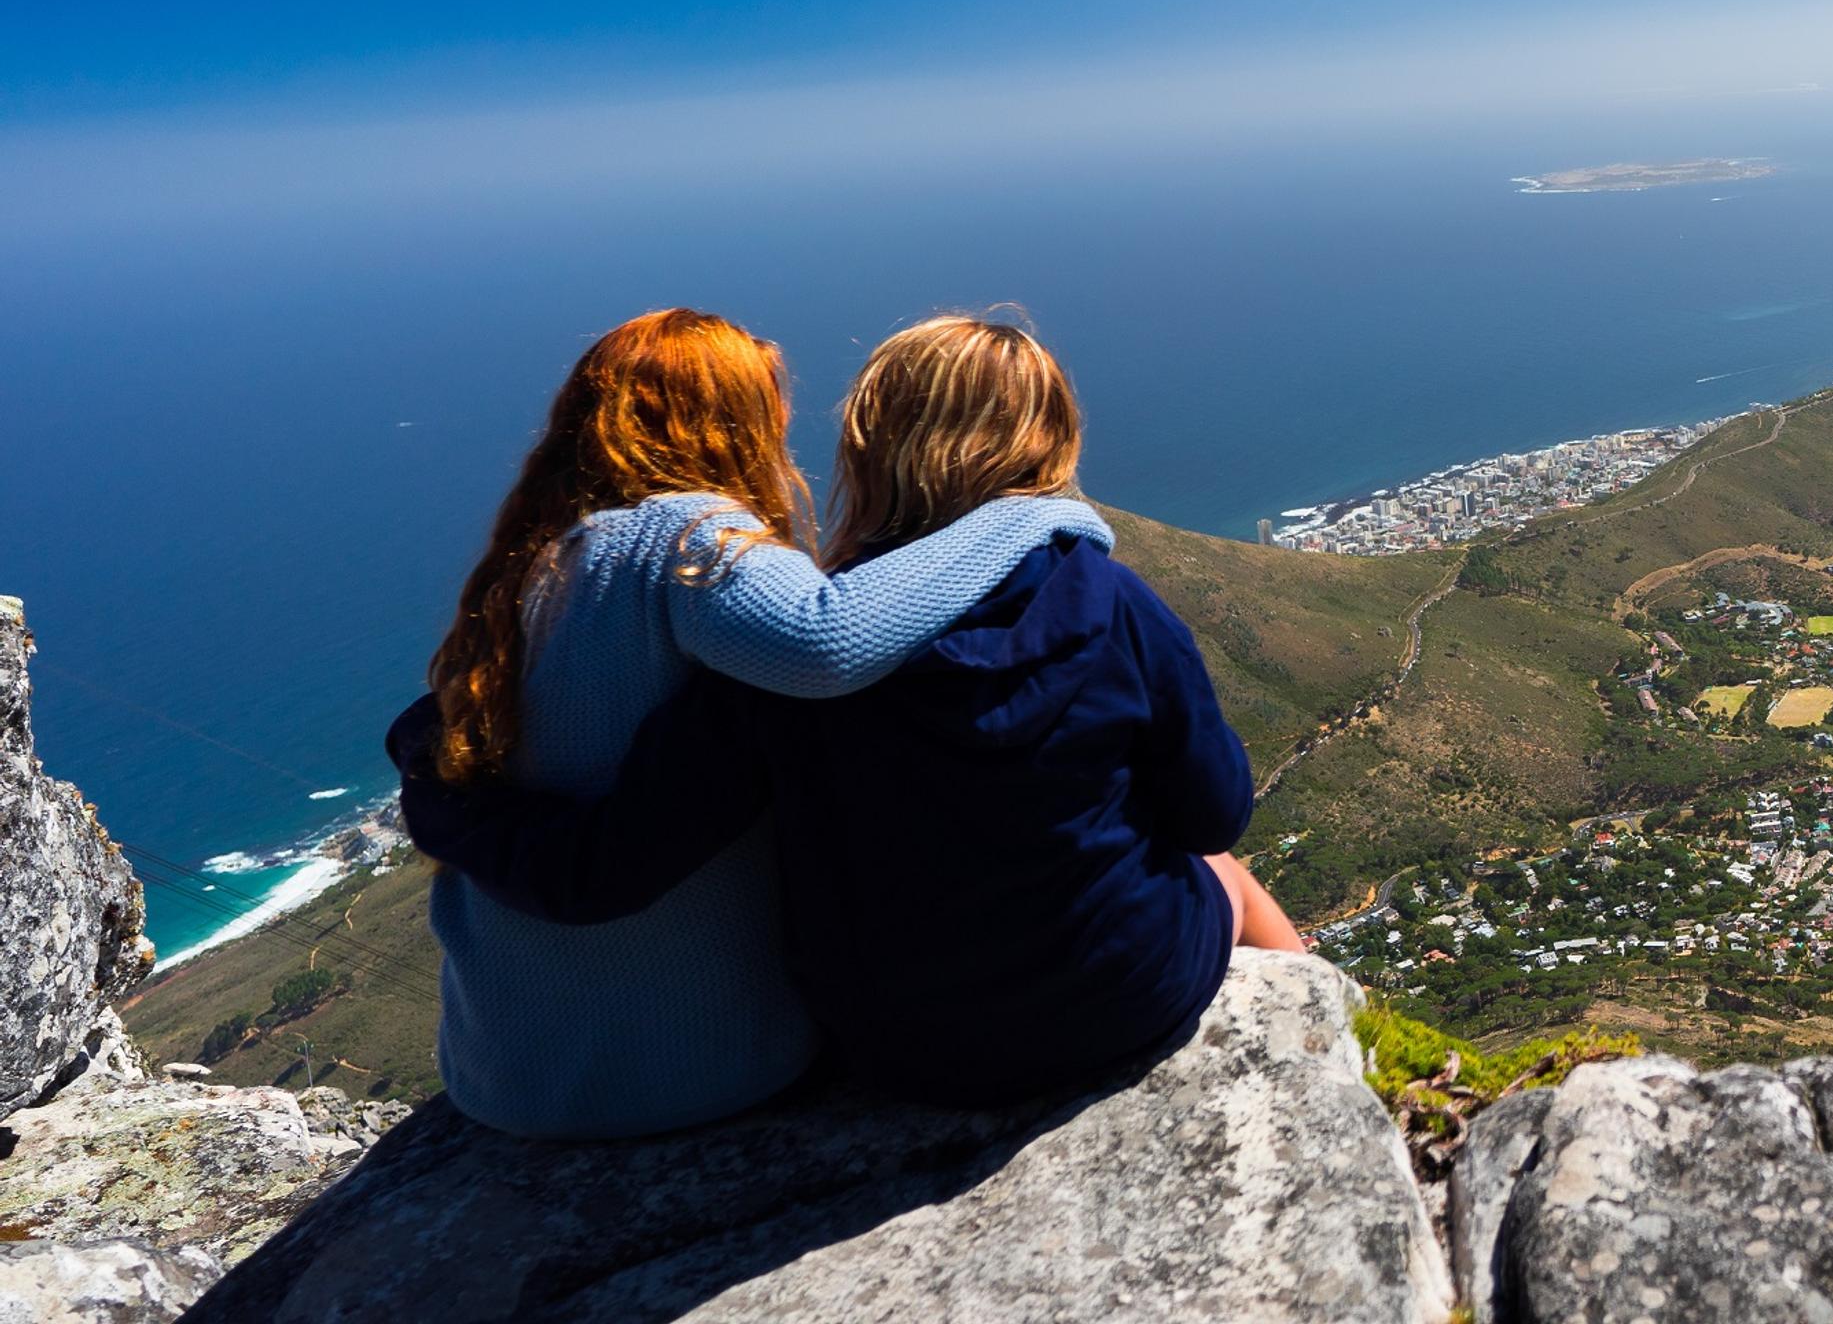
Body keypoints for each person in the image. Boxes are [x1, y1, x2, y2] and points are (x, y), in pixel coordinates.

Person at [399, 312, 1299, 1112]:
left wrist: (431, 766)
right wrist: (1046, 517)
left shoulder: (630, 607)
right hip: (1073, 1004)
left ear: (874, 443)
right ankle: (1325, 1052)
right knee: (1222, 866)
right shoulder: (1093, 597)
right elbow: (1209, 810)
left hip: (884, 1042)